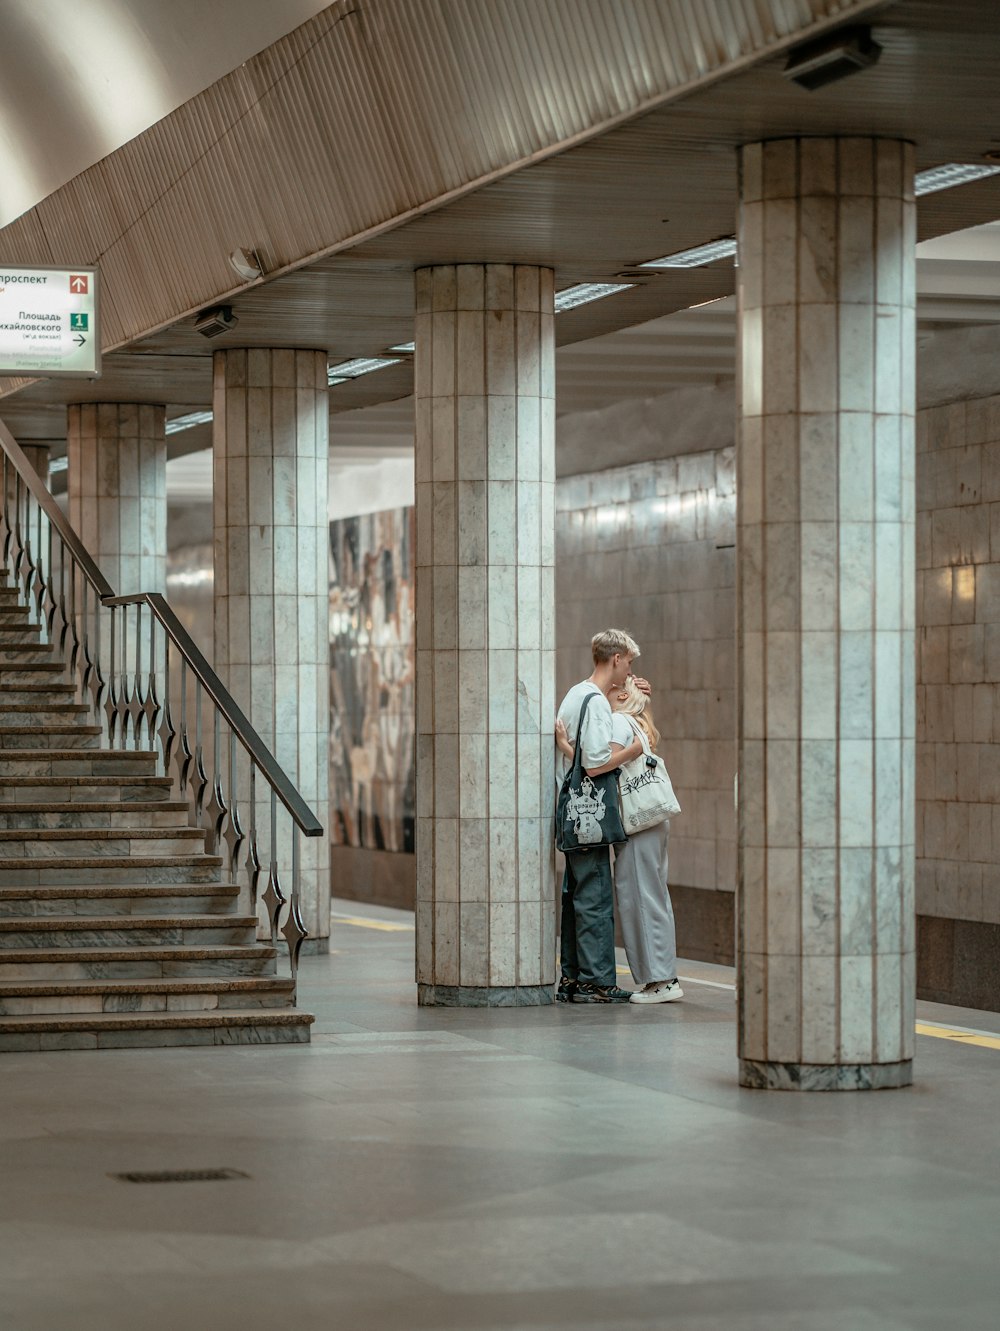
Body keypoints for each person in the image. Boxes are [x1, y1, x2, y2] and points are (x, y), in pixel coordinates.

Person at [556, 676, 683, 1006]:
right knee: (652, 896)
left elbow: (598, 767)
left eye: (613, 686)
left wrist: (566, 748)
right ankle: (662, 977)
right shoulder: (638, 723)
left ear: (622, 694)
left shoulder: (618, 721)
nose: (603, 691)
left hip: (638, 826)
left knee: (639, 899)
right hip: (653, 821)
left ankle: (660, 980)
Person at [555, 629, 643, 1004]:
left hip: (571, 813)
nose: (629, 671)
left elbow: (578, 754)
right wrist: (636, 748)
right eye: (628, 663)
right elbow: (595, 764)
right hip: (589, 815)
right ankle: (597, 981)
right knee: (595, 896)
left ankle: (574, 978)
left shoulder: (579, 694)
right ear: (616, 658)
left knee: (576, 895)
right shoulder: (596, 702)